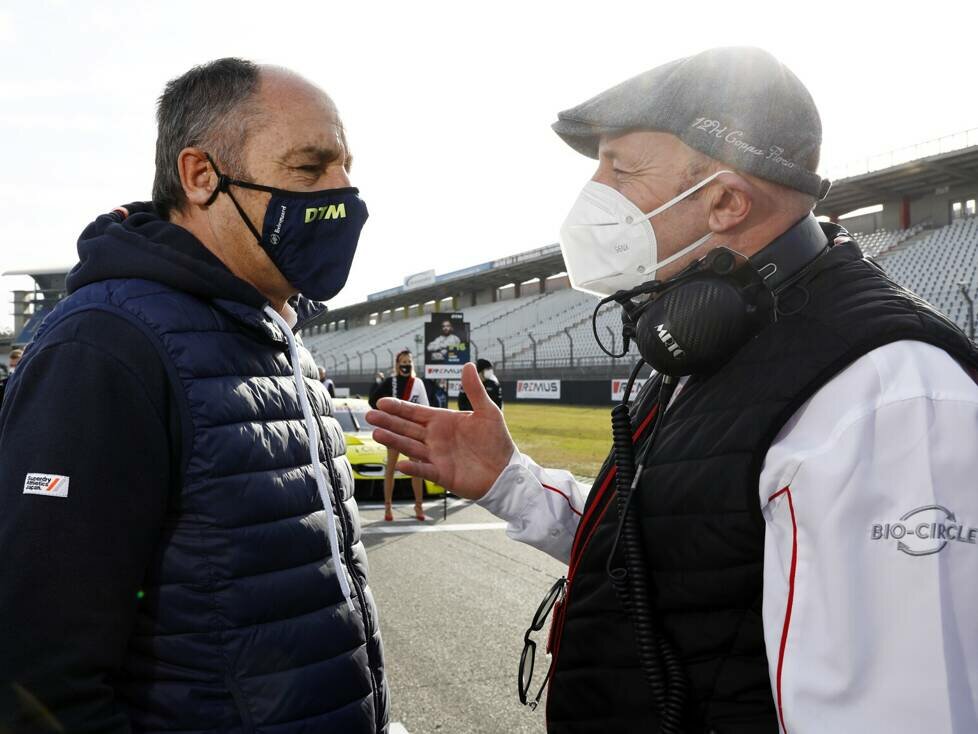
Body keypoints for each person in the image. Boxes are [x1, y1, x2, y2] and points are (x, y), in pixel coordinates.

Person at [367, 47, 978, 733]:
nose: (593, 192)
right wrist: (509, 480)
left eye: (618, 169)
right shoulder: (712, 334)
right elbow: (678, 552)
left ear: (724, 201)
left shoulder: (888, 397)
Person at [0, 59, 389, 733]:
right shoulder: (105, 347)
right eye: (309, 167)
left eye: (345, 166)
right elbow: (37, 679)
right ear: (201, 176)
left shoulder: (274, 331)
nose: (344, 191)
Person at [369, 349, 429, 521]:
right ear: (397, 364)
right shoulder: (391, 382)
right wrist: (387, 415)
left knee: (416, 468)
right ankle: (388, 507)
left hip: (412, 432)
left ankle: (419, 506)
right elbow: (373, 400)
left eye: (409, 361)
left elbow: (426, 408)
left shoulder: (417, 383)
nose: (406, 364)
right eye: (403, 361)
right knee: (391, 469)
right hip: (394, 431)